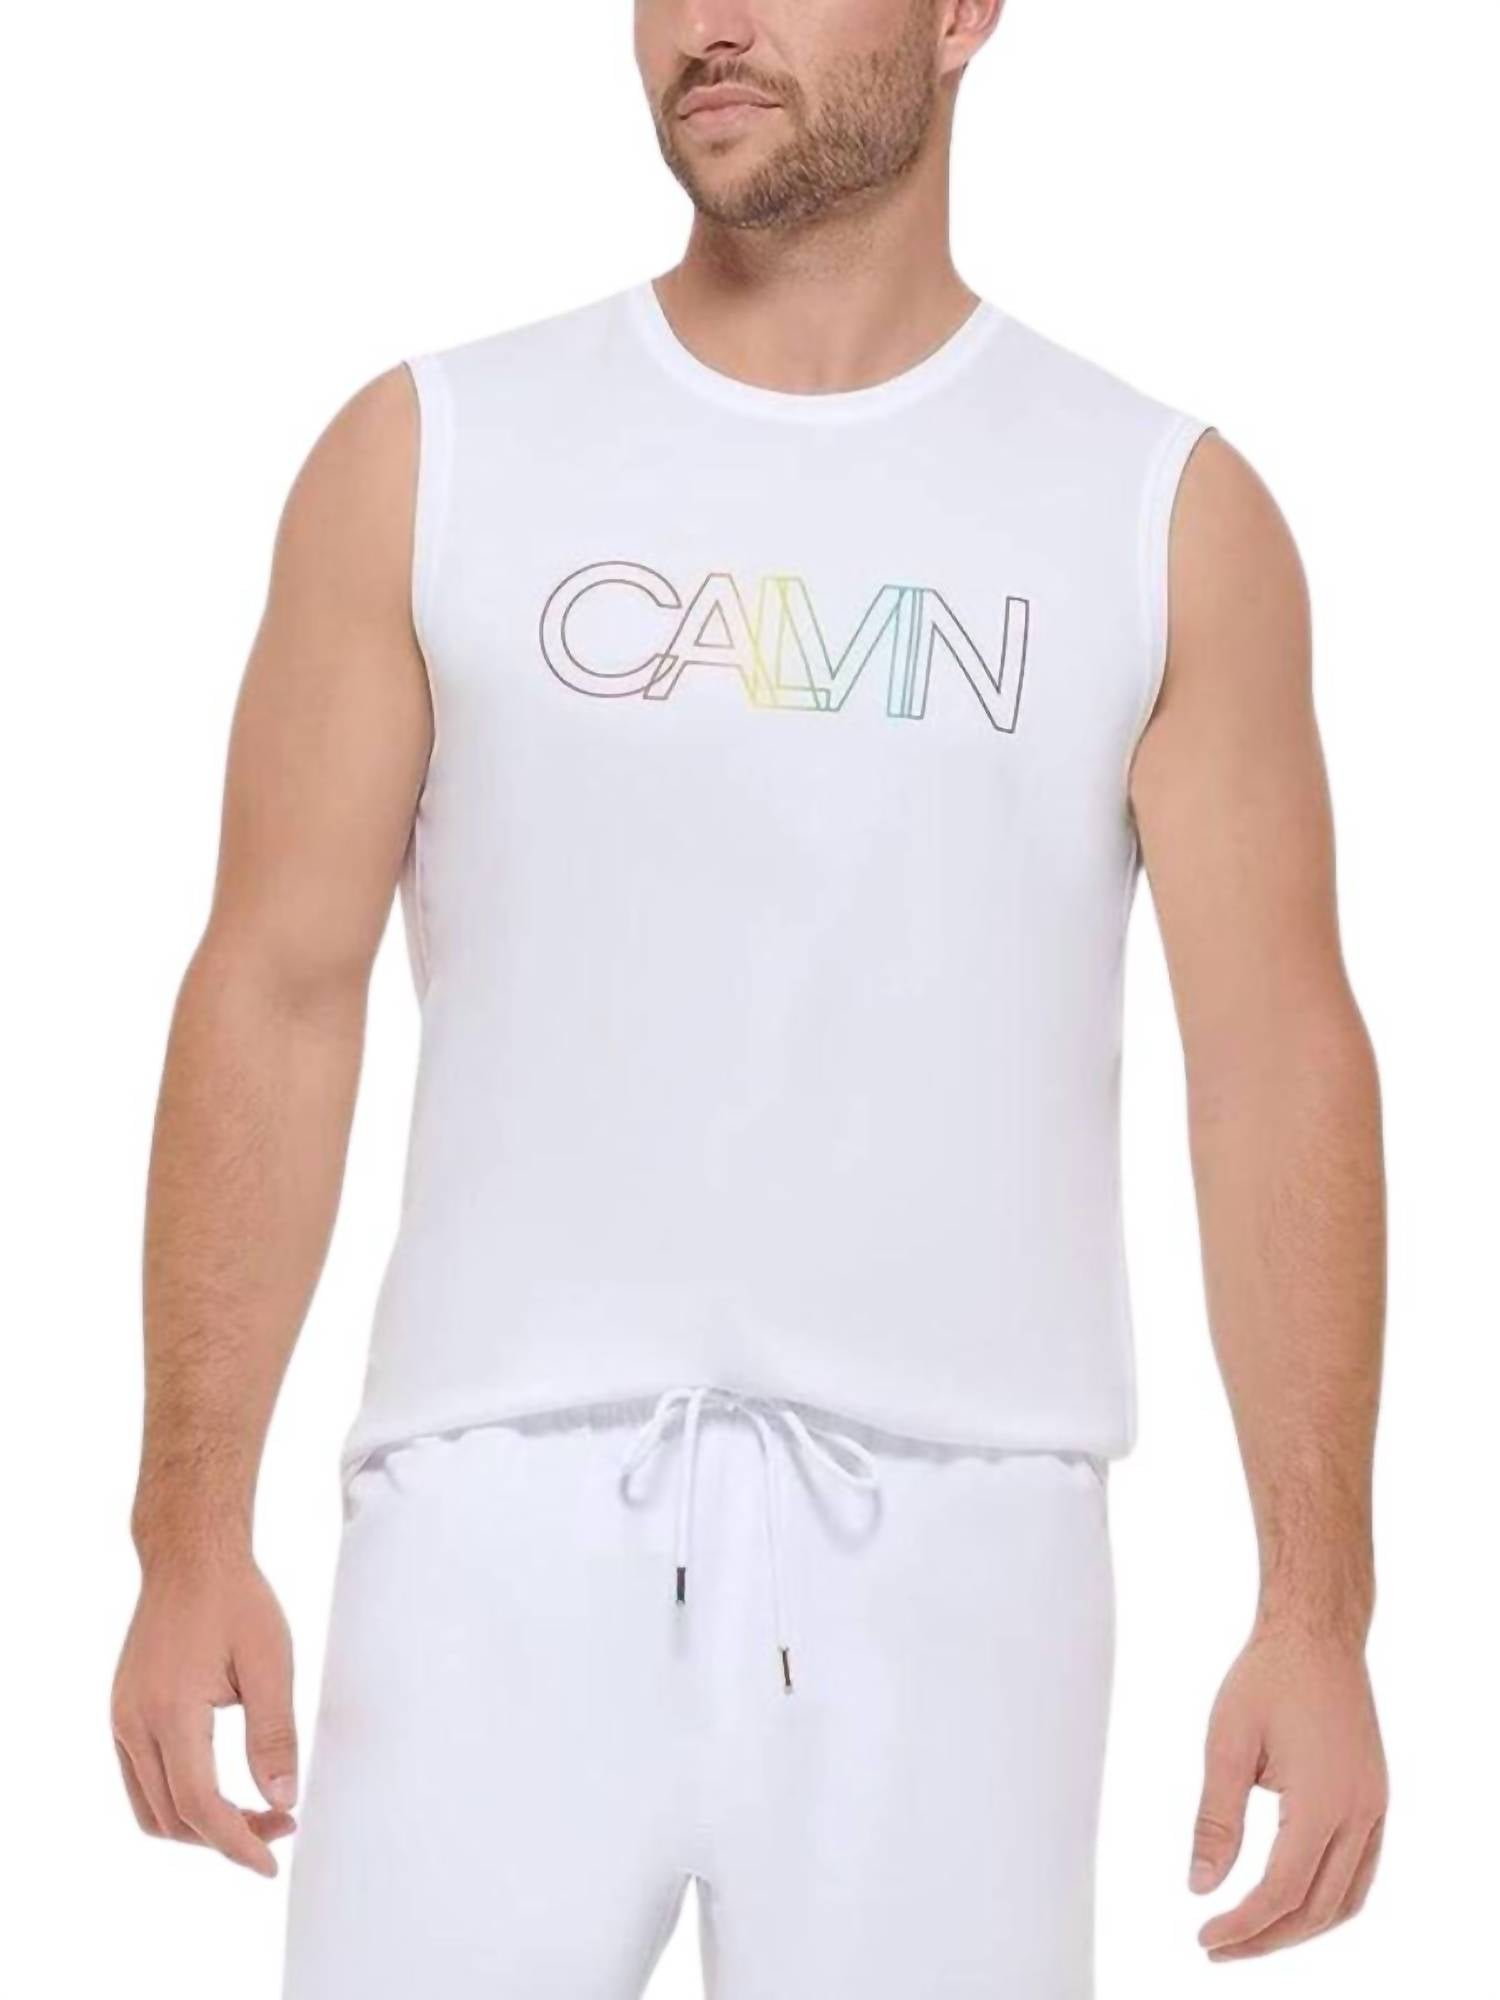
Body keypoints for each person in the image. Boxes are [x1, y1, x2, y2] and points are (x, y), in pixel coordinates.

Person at [110, 3, 1389, 1993]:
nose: (707, 23)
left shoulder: (1156, 512)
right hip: (487, 1523)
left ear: (962, 15)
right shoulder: (432, 456)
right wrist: (185, 1528)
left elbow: (1275, 1063)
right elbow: (276, 987)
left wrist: (1319, 1608)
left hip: (966, 1547)